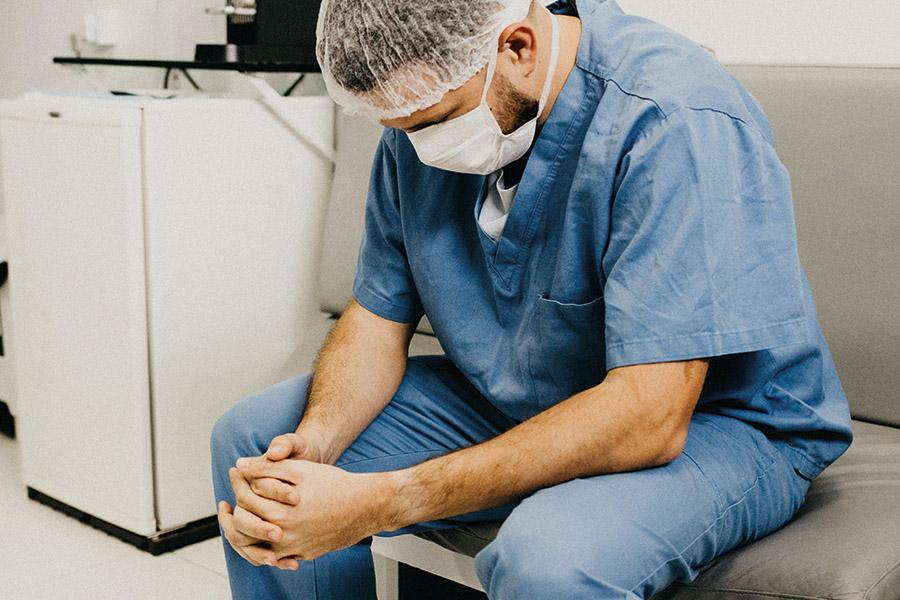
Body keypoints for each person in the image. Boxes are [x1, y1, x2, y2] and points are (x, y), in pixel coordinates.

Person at [210, 0, 854, 598]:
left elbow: (649, 417)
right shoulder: (429, 105)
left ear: (517, 46)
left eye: (432, 125)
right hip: (525, 393)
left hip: (721, 422)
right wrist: (314, 450)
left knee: (549, 558)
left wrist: (384, 499)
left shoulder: (673, 118)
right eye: (400, 130)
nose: (420, 148)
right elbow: (377, 318)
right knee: (258, 440)